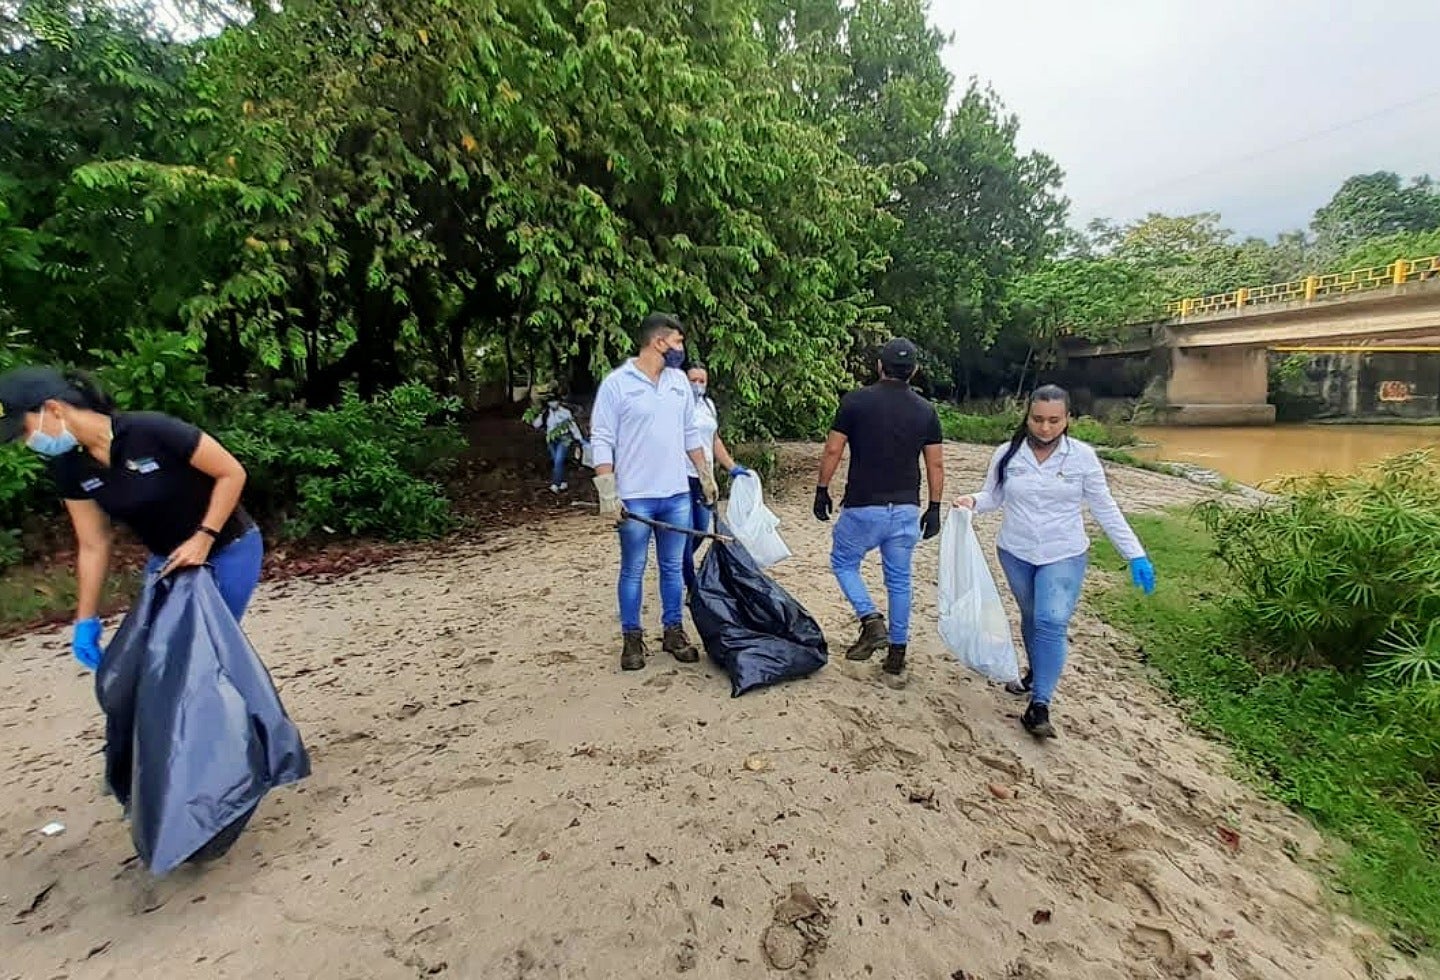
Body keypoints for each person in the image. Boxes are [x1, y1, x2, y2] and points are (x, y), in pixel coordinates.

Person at [0, 366, 261, 670]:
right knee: (154, 657)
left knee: (203, 653)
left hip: (228, 547)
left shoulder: (149, 431)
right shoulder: (69, 468)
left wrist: (203, 537)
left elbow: (230, 473)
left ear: (54, 410)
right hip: (169, 560)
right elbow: (93, 543)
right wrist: (85, 619)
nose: (26, 442)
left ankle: (244, 714)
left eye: (26, 431)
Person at [953, 384, 1156, 739]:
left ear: (1067, 420)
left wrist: (1135, 553)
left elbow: (1104, 507)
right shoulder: (1008, 454)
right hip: (1015, 553)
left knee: (1051, 619)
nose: (1045, 428)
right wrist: (971, 500)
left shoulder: (1081, 458)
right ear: (1027, 417)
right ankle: (1035, 671)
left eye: (1053, 421)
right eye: (1037, 419)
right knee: (1031, 617)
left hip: (1063, 553)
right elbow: (993, 496)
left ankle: (1040, 705)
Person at [590, 313, 717, 671]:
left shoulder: (678, 383)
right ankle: (632, 638)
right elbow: (601, 438)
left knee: (674, 567)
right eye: (677, 342)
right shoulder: (618, 384)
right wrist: (607, 489)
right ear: (658, 342)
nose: (681, 350)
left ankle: (673, 631)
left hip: (676, 493)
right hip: (635, 498)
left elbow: (690, 433)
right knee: (633, 567)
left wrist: (705, 476)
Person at [813, 337, 944, 680]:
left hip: (863, 505)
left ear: (879, 366)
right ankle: (897, 653)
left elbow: (832, 451)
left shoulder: (855, 401)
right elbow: (936, 466)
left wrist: (822, 489)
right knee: (899, 581)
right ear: (914, 371)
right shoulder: (926, 411)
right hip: (905, 507)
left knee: (843, 563)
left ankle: (871, 621)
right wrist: (934, 507)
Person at [682, 364, 748, 593]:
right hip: (681, 476)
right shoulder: (677, 406)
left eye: (702, 381)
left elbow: (714, 439)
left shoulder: (707, 406)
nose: (698, 385)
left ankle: (676, 562)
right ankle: (691, 584)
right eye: (693, 380)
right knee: (687, 530)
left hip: (704, 478)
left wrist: (731, 467)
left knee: (701, 527)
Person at [531, 392, 584, 493]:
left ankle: (555, 484)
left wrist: (579, 439)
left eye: (555, 401)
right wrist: (541, 414)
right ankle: (563, 482)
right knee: (556, 461)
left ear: (559, 402)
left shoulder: (565, 412)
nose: (553, 403)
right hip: (551, 439)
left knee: (558, 460)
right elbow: (536, 425)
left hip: (564, 438)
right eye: (550, 401)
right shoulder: (546, 413)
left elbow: (572, 425)